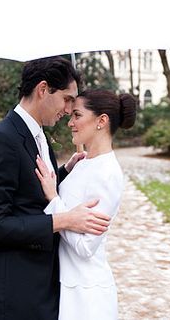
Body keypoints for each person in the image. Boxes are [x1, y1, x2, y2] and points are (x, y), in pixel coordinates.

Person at [0, 56, 112, 320]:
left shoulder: (37, 135)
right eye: (68, 99)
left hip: (43, 284)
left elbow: (27, 191)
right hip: (18, 290)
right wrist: (65, 220)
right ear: (43, 89)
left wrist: (64, 172)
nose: (71, 109)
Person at [34, 89, 137, 320]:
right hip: (68, 288)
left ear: (102, 121)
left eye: (77, 115)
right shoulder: (84, 163)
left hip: (87, 298)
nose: (70, 122)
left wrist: (54, 200)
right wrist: (67, 172)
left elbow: (86, 248)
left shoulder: (108, 174)